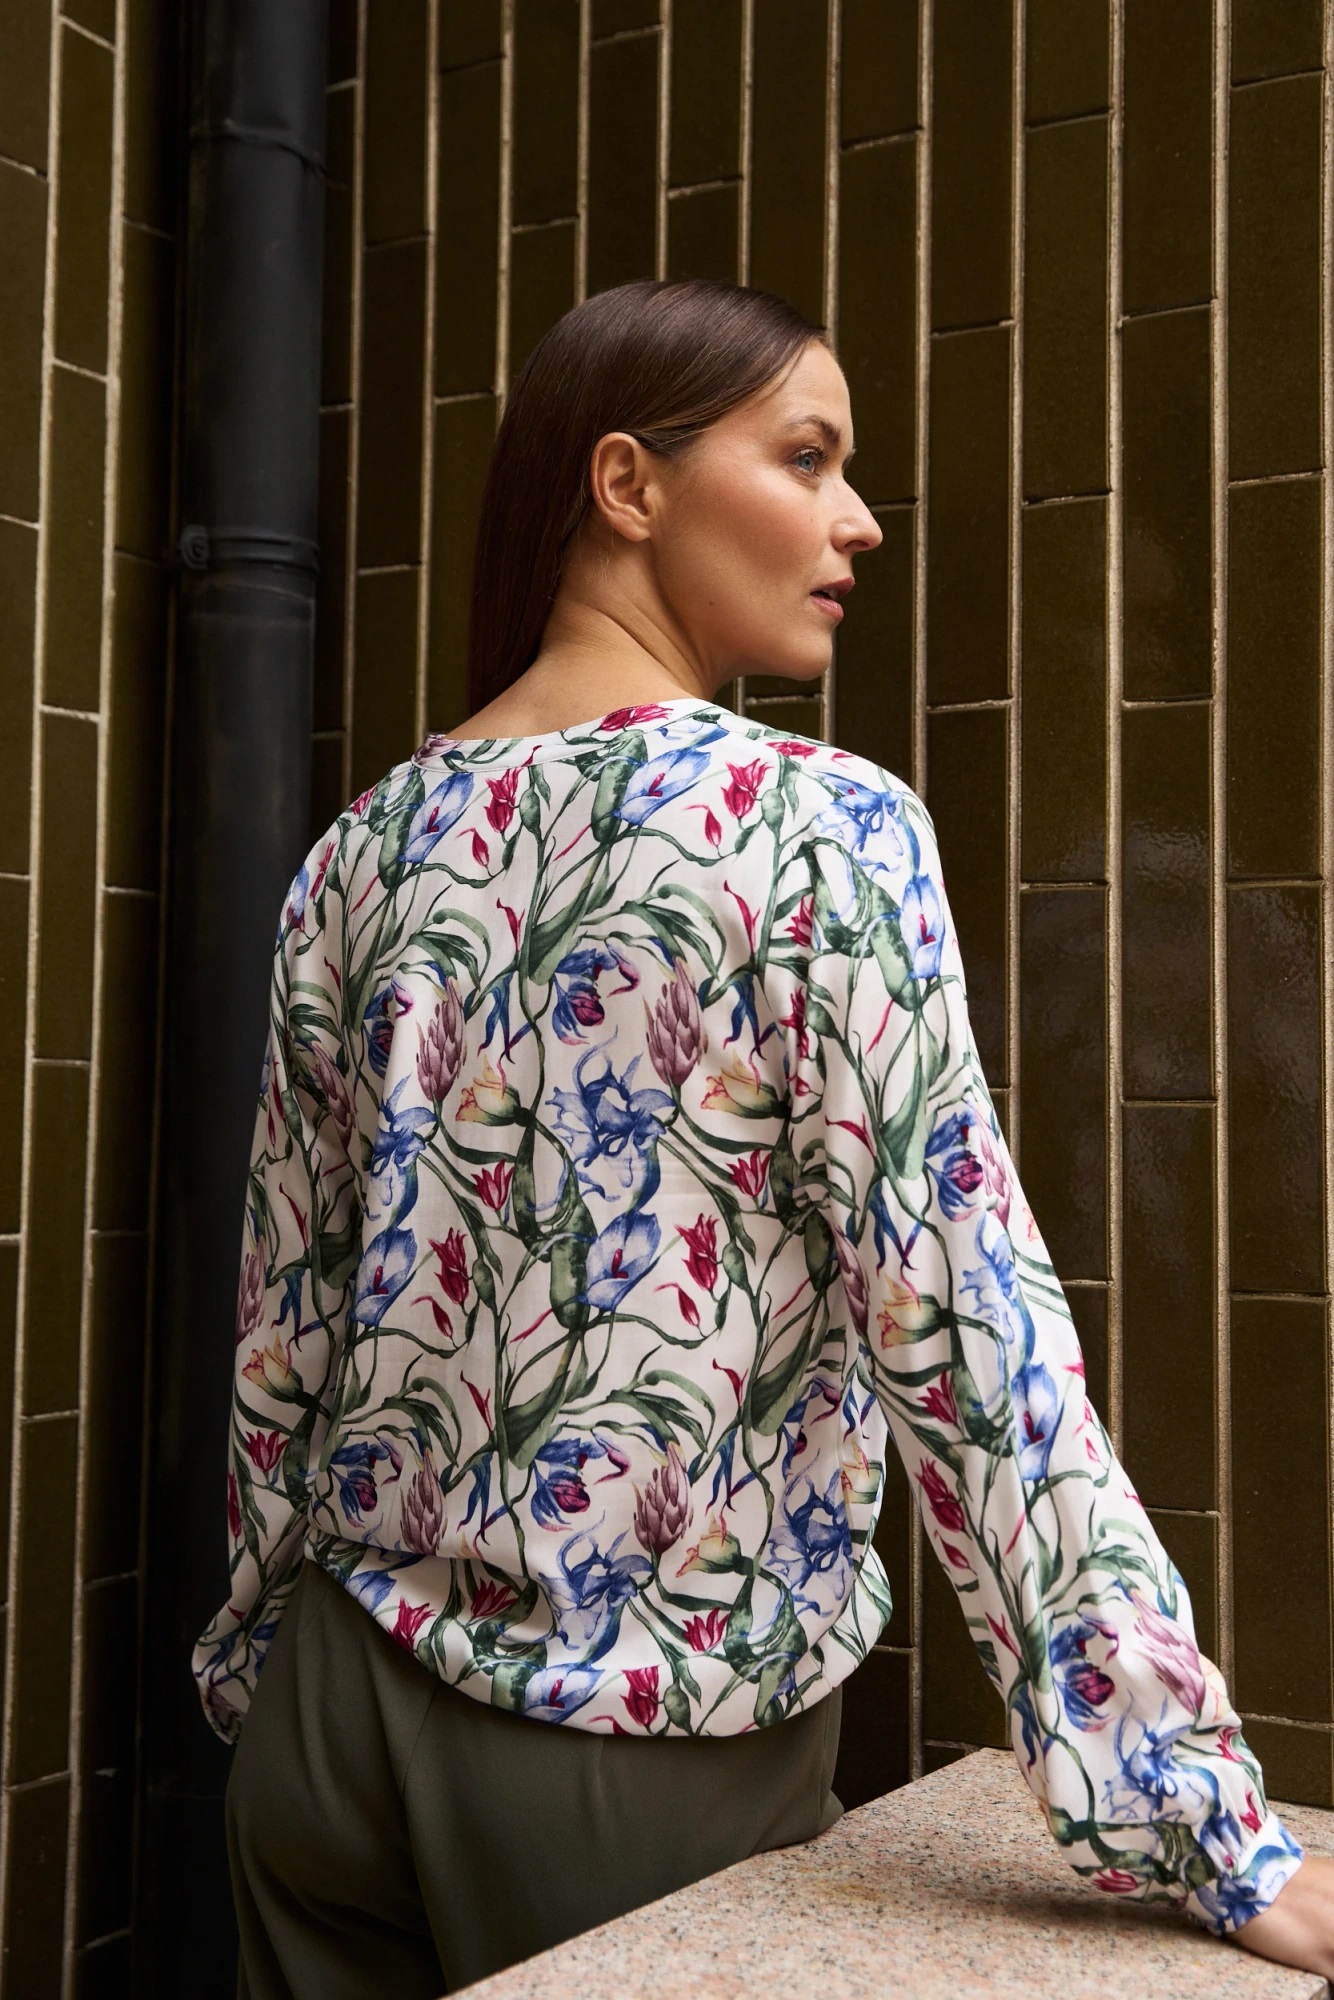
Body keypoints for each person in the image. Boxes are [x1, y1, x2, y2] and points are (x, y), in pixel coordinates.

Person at [195, 279, 1334, 1996]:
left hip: (322, 1731)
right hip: (631, 1754)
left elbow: (287, 1323)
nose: (856, 519)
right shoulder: (815, 826)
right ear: (625, 484)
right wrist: (1199, 1822)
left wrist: (259, 1671)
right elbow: (963, 1322)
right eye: (806, 459)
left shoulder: (360, 849)